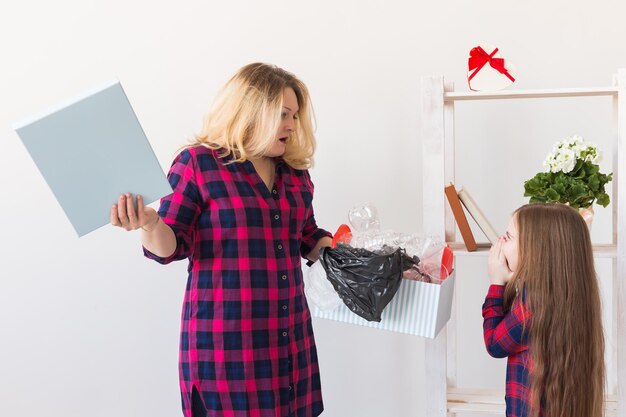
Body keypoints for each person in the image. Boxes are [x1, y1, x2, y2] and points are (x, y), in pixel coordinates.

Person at [110, 63, 332, 417]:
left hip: (290, 345)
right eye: (282, 114)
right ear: (250, 112)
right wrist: (150, 223)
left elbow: (306, 235)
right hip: (228, 354)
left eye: (294, 115)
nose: (291, 124)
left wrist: (350, 256)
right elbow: (169, 248)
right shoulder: (199, 164)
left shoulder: (295, 174)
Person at [483, 203, 605, 417]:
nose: (500, 242)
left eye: (508, 236)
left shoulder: (531, 307)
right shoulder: (568, 298)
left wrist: (496, 284)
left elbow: (495, 344)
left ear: (535, 251)